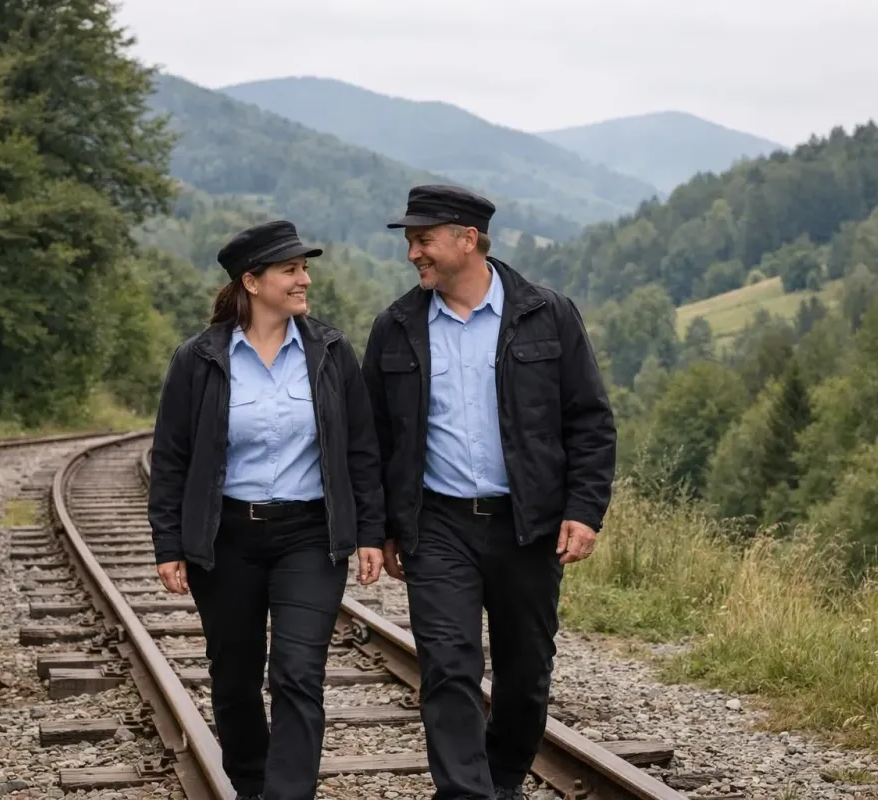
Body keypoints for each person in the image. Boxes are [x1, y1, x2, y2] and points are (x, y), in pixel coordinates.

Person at [361, 185, 617, 800]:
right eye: (410, 242)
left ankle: (501, 783)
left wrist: (584, 511)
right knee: (447, 667)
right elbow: (372, 440)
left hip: (528, 526)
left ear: (467, 239)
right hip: (438, 525)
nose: (413, 254)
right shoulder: (396, 327)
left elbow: (589, 420)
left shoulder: (548, 314)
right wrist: (380, 527)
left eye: (423, 240)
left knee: (525, 677)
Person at [147, 219, 386, 800]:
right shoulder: (198, 358)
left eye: (305, 269)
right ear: (252, 283)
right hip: (227, 537)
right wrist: (169, 543)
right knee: (234, 676)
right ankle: (251, 783)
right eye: (291, 270)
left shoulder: (330, 352)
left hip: (310, 536)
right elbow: (172, 456)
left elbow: (361, 448)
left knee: (298, 672)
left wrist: (371, 532)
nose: (305, 280)